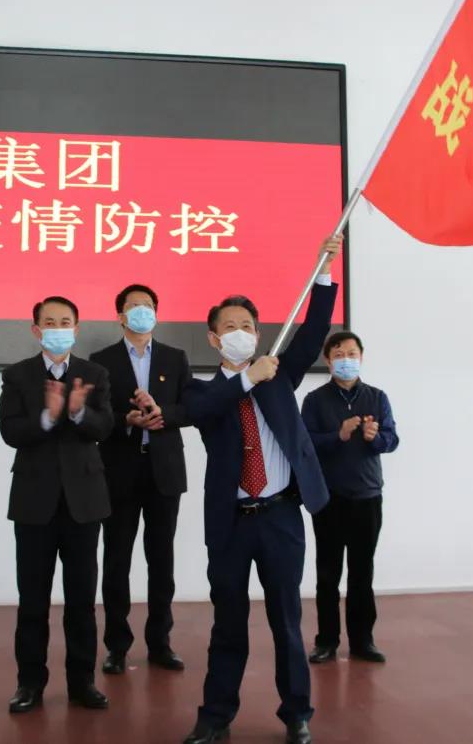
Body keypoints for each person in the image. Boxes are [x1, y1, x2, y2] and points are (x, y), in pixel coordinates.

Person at [181, 235, 343, 744]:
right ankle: (215, 717)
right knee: (228, 624)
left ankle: (297, 714)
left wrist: (323, 272)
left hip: (279, 518)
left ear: (259, 334)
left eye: (248, 327)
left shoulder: (278, 376)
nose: (240, 333)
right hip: (230, 523)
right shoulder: (202, 391)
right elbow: (200, 413)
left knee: (287, 622)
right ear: (213, 339)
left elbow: (313, 332)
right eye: (230, 327)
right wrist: (247, 379)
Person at [0, 296, 114, 714]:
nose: (58, 329)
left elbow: (105, 426)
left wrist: (78, 414)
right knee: (33, 600)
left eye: (66, 322)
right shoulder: (17, 375)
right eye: (50, 322)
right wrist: (47, 418)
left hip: (84, 503)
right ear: (36, 330)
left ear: (77, 329)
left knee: (81, 601)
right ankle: (29, 684)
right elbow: (9, 431)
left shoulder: (95, 374)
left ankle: (82, 683)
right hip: (34, 502)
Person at [90, 284, 192, 674]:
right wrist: (126, 420)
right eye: (134, 306)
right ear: (120, 316)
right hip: (119, 471)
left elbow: (188, 408)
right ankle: (117, 646)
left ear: (156, 313)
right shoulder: (101, 361)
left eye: (148, 305)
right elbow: (97, 417)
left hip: (164, 472)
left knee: (161, 560)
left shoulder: (175, 357)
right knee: (117, 560)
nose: (142, 311)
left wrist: (161, 412)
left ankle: (160, 643)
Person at [301, 331, 399, 665]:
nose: (346, 360)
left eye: (352, 354)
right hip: (329, 499)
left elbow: (392, 439)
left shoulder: (377, 397)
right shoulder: (315, 401)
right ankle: (326, 641)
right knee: (328, 574)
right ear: (328, 360)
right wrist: (338, 435)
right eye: (339, 355)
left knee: (362, 573)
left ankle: (362, 641)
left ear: (361, 357)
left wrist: (375, 438)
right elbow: (305, 444)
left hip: (367, 496)